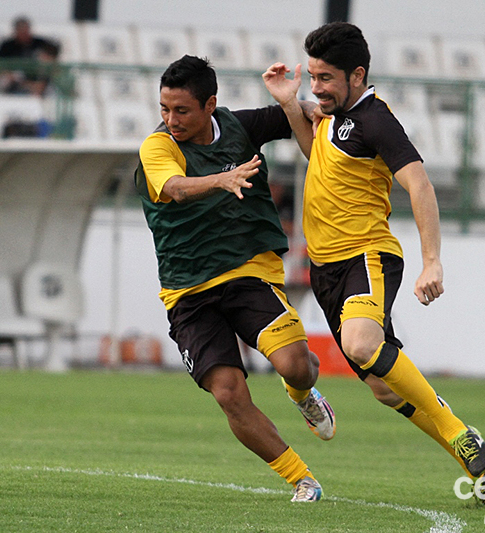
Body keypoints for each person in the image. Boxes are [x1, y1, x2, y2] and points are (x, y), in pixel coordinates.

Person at [262, 22, 485, 504]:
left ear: (357, 75)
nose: (317, 88)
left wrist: (432, 262)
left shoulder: (375, 120)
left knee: (360, 342)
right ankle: (480, 465)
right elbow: (319, 156)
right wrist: (291, 104)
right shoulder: (334, 116)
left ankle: (457, 431)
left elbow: (420, 184)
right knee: (384, 389)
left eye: (326, 78)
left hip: (366, 255)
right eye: (313, 76)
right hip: (326, 269)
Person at [135, 55, 335, 503]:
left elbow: (295, 115)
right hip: (187, 291)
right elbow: (175, 188)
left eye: (181, 110)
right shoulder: (158, 147)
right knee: (228, 393)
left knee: (296, 366)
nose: (170, 119)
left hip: (247, 272)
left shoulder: (238, 126)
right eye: (164, 109)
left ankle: (302, 393)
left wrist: (303, 105)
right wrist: (221, 180)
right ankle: (302, 479)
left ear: (210, 105)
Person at [0, 16, 60, 96]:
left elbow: (53, 54)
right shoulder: (6, 46)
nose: (23, 34)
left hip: (39, 81)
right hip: (15, 83)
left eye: (25, 31)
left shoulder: (40, 43)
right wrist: (8, 73)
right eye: (21, 31)